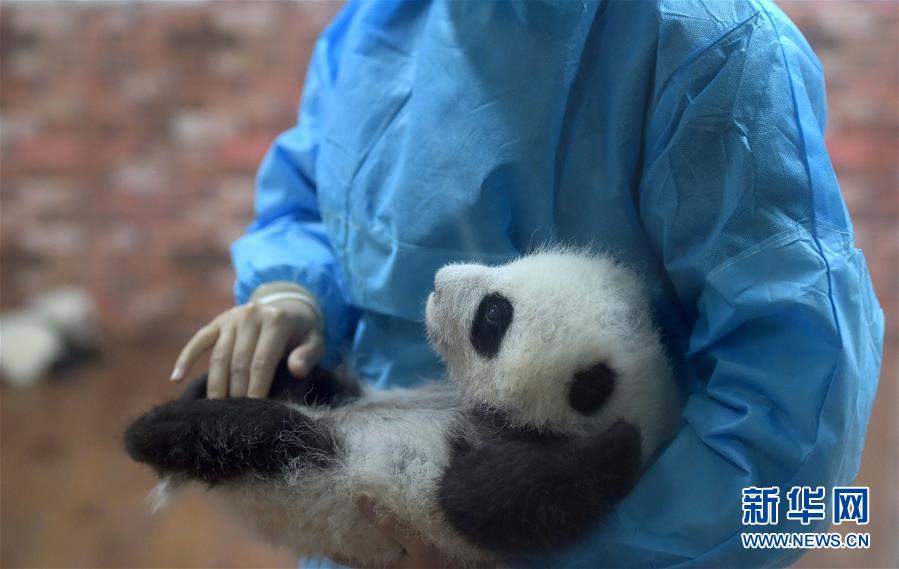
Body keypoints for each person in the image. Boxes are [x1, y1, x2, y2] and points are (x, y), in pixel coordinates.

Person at [170, 1, 884, 567]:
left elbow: (800, 480)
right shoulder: (379, 23)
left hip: (584, 523)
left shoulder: (715, 50)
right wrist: (293, 291)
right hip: (371, 510)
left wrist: (563, 554)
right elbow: (312, 192)